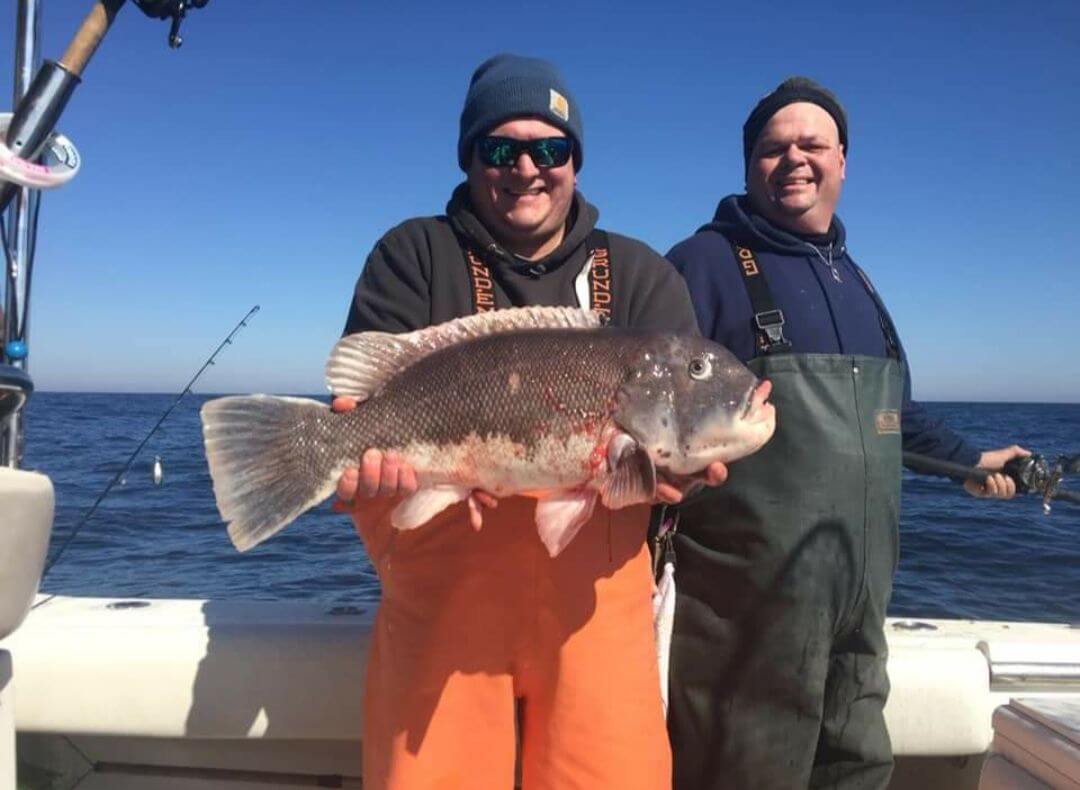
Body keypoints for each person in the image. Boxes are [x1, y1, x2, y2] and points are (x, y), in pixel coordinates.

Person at [332, 53, 722, 790]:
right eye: (499, 149)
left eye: (549, 149)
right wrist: (363, 469)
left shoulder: (638, 275)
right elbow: (360, 400)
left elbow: (676, 442)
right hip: (442, 604)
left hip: (597, 619)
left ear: (575, 160)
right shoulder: (414, 255)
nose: (526, 169)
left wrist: (683, 478)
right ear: (469, 156)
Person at [664, 76, 1028, 790]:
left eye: (812, 144)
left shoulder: (857, 280)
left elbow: (896, 416)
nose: (794, 159)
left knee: (858, 766)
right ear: (748, 167)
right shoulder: (700, 266)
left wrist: (973, 462)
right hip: (743, 624)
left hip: (858, 616)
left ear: (843, 162)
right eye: (773, 148)